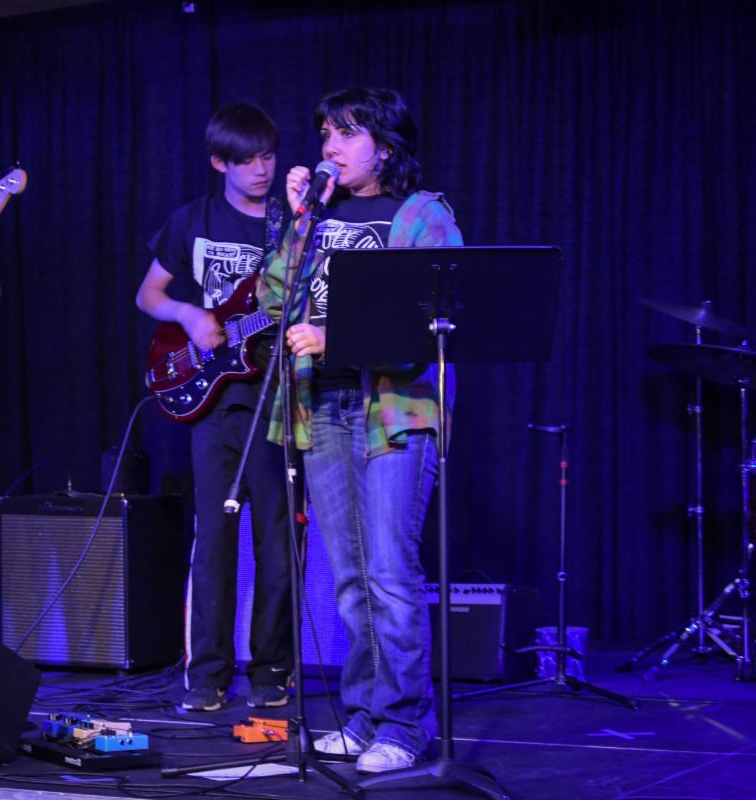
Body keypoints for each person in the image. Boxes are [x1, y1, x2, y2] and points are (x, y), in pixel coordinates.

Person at [258, 87, 463, 772]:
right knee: (348, 578)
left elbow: (432, 318)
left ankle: (405, 725)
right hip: (324, 405)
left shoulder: (420, 215)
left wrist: (335, 338)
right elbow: (273, 296)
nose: (330, 146)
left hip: (393, 412)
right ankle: (367, 714)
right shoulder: (318, 216)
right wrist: (296, 219)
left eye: (347, 133)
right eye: (325, 134)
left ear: (386, 146)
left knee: (389, 573)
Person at [136, 103, 294, 712]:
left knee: (278, 544)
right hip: (213, 402)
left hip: (276, 403)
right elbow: (149, 294)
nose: (261, 169)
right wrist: (189, 313)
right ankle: (206, 676)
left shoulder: (290, 222)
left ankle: (271, 673)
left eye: (268, 157)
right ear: (219, 162)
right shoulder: (193, 219)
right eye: (247, 160)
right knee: (213, 544)